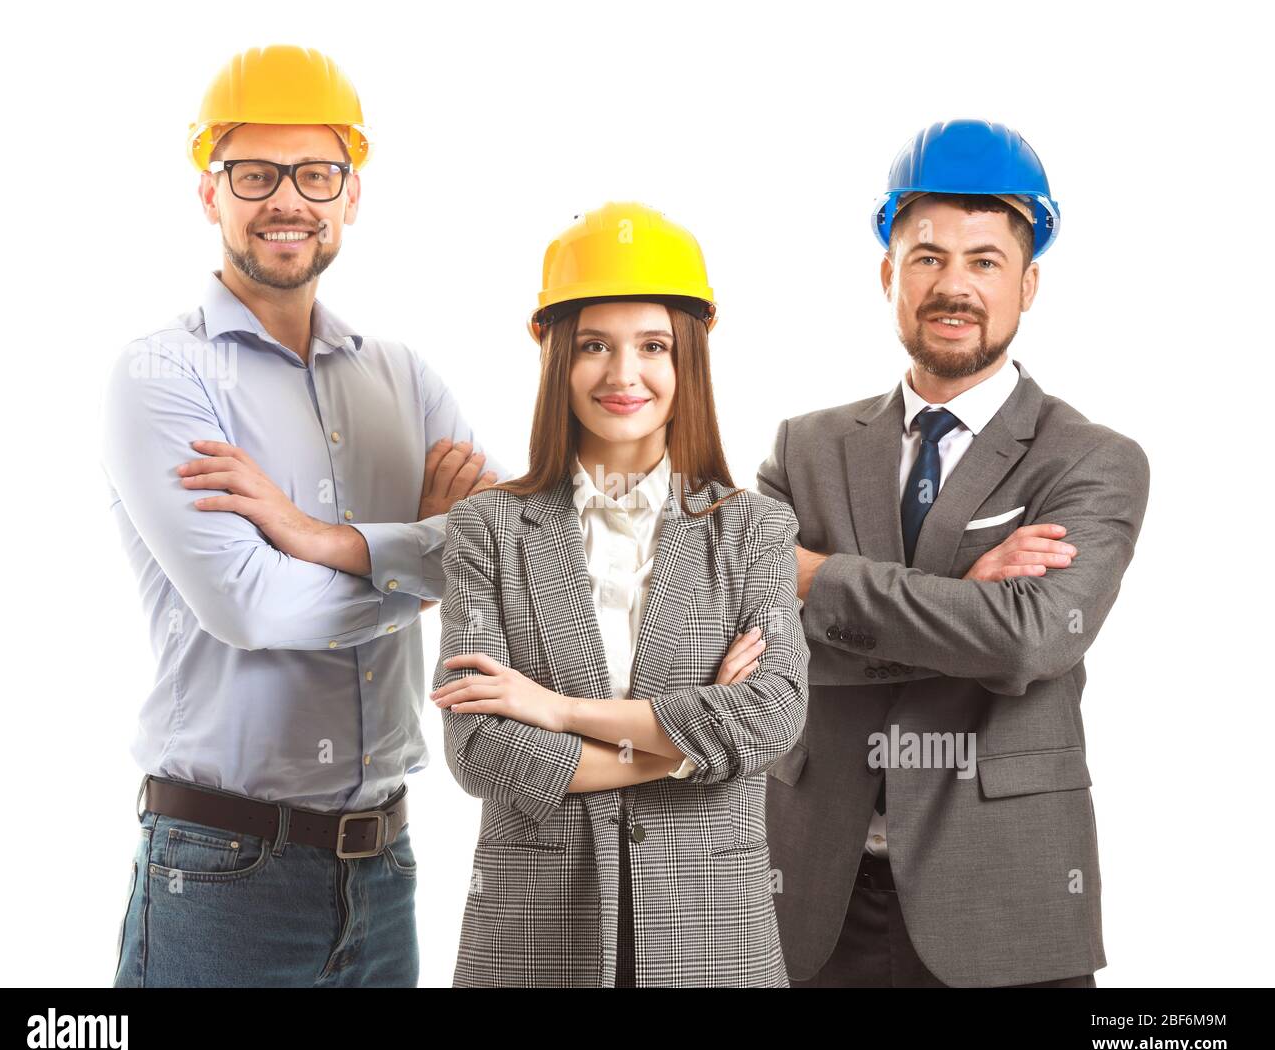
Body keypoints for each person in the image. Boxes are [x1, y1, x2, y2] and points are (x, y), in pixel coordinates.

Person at [104, 44, 510, 987]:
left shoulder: (403, 376)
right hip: (222, 871)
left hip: (386, 870)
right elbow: (251, 609)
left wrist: (324, 543)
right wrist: (419, 560)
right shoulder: (163, 376)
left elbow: (514, 548)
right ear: (211, 193)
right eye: (255, 173)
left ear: (352, 195)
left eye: (316, 174)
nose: (288, 199)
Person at [759, 119, 1151, 988]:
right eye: (928, 255)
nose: (954, 285)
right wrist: (958, 604)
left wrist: (816, 579)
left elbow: (1028, 642)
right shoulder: (805, 449)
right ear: (888, 272)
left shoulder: (1091, 460)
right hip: (815, 897)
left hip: (1006, 900)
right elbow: (744, 642)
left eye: (984, 260)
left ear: (1029, 284)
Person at [429, 202, 810, 987]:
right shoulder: (487, 529)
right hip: (534, 943)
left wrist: (558, 710)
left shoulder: (755, 529)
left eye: (653, 346)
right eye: (595, 345)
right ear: (557, 356)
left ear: (688, 361)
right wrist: (690, 745)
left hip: (714, 939)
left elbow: (772, 717)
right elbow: (480, 752)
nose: (623, 374)